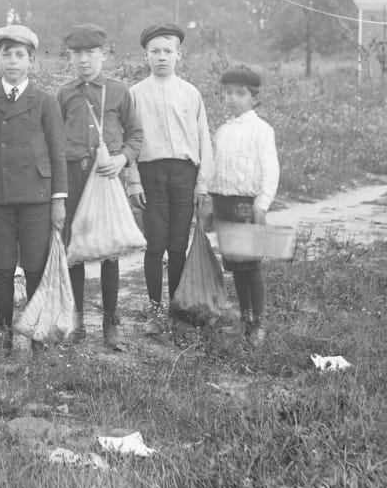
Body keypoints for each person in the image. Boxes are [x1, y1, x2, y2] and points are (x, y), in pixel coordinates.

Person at [0, 25, 68, 356]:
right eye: (6, 54)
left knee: (35, 268)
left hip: (36, 197)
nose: (12, 61)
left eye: (19, 55)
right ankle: (4, 334)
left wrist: (58, 199)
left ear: (31, 61)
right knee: (3, 268)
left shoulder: (45, 101)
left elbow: (58, 154)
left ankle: (37, 335)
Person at [56, 23, 143, 351]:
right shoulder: (64, 94)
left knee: (109, 250)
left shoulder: (119, 92)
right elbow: (56, 141)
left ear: (103, 54)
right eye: (76, 53)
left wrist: (122, 159)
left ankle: (111, 323)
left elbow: (136, 135)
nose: (83, 60)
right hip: (74, 177)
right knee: (75, 249)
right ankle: (76, 322)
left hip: (107, 177)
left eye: (90, 53)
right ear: (69, 57)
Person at [127, 23, 213, 336]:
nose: (161, 57)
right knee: (154, 245)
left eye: (167, 51)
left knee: (177, 246)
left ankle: (176, 310)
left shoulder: (190, 93)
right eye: (155, 51)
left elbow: (203, 138)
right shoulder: (135, 94)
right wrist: (133, 180)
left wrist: (202, 183)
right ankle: (154, 309)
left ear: (179, 54)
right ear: (145, 55)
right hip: (151, 174)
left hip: (184, 175)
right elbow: (129, 140)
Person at [208, 65, 279, 348]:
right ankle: (244, 317)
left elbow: (270, 169)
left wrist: (262, 203)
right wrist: (210, 200)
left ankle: (259, 321)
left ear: (254, 98)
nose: (233, 98)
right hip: (223, 202)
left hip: (246, 205)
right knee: (235, 265)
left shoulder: (261, 130)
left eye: (240, 93)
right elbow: (215, 167)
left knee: (250, 265)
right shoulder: (222, 131)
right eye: (228, 93)